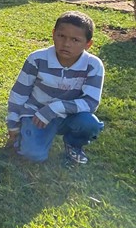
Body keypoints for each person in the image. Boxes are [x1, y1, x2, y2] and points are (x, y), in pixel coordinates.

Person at [7, 11, 105, 165]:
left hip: (69, 116)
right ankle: (23, 137)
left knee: (89, 124)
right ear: (53, 34)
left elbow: (91, 102)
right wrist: (13, 123)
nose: (66, 44)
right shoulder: (37, 59)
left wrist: (53, 109)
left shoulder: (93, 65)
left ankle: (73, 144)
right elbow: (19, 93)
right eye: (61, 36)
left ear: (88, 44)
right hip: (36, 114)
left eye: (75, 40)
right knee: (33, 156)